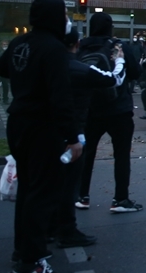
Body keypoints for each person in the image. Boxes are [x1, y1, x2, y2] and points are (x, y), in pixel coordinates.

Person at [0, 0, 81, 273]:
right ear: (55, 17)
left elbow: (1, 68)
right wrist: (72, 137)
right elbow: (60, 97)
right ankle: (32, 260)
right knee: (43, 192)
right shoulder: (54, 49)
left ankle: (23, 250)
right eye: (64, 14)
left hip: (18, 122)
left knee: (28, 188)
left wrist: (25, 80)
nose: (67, 18)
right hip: (43, 126)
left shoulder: (21, 43)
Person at [52, 27, 124, 250]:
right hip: (74, 129)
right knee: (69, 178)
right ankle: (66, 229)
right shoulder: (78, 68)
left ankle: (43, 232)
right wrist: (120, 60)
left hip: (43, 130)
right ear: (75, 45)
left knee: (45, 184)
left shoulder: (48, 66)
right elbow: (113, 80)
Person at [77, 12, 143, 213]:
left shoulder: (81, 47)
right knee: (121, 154)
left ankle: (82, 195)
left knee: (86, 154)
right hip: (118, 108)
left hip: (89, 109)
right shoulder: (118, 47)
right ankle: (120, 199)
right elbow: (136, 73)